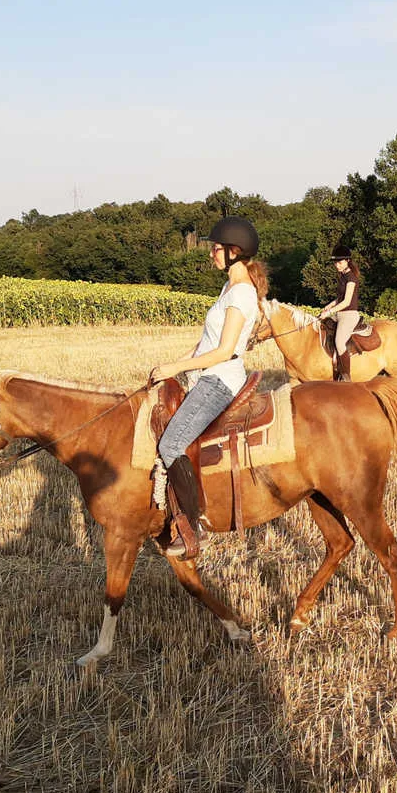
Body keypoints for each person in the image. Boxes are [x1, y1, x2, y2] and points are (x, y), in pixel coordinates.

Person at [148, 216, 267, 554]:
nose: (212, 253)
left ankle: (192, 528)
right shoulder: (229, 287)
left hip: (220, 381)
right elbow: (205, 343)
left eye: (216, 248)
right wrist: (174, 367)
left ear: (234, 251)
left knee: (171, 445)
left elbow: (224, 350)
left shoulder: (242, 293)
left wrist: (177, 366)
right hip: (207, 374)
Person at [317, 246, 361, 381]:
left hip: (349, 315)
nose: (337, 265)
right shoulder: (342, 277)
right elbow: (339, 299)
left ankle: (345, 376)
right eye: (335, 263)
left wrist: (329, 312)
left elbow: (347, 302)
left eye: (340, 262)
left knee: (339, 341)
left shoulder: (351, 278)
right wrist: (327, 307)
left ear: (348, 261)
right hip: (339, 314)